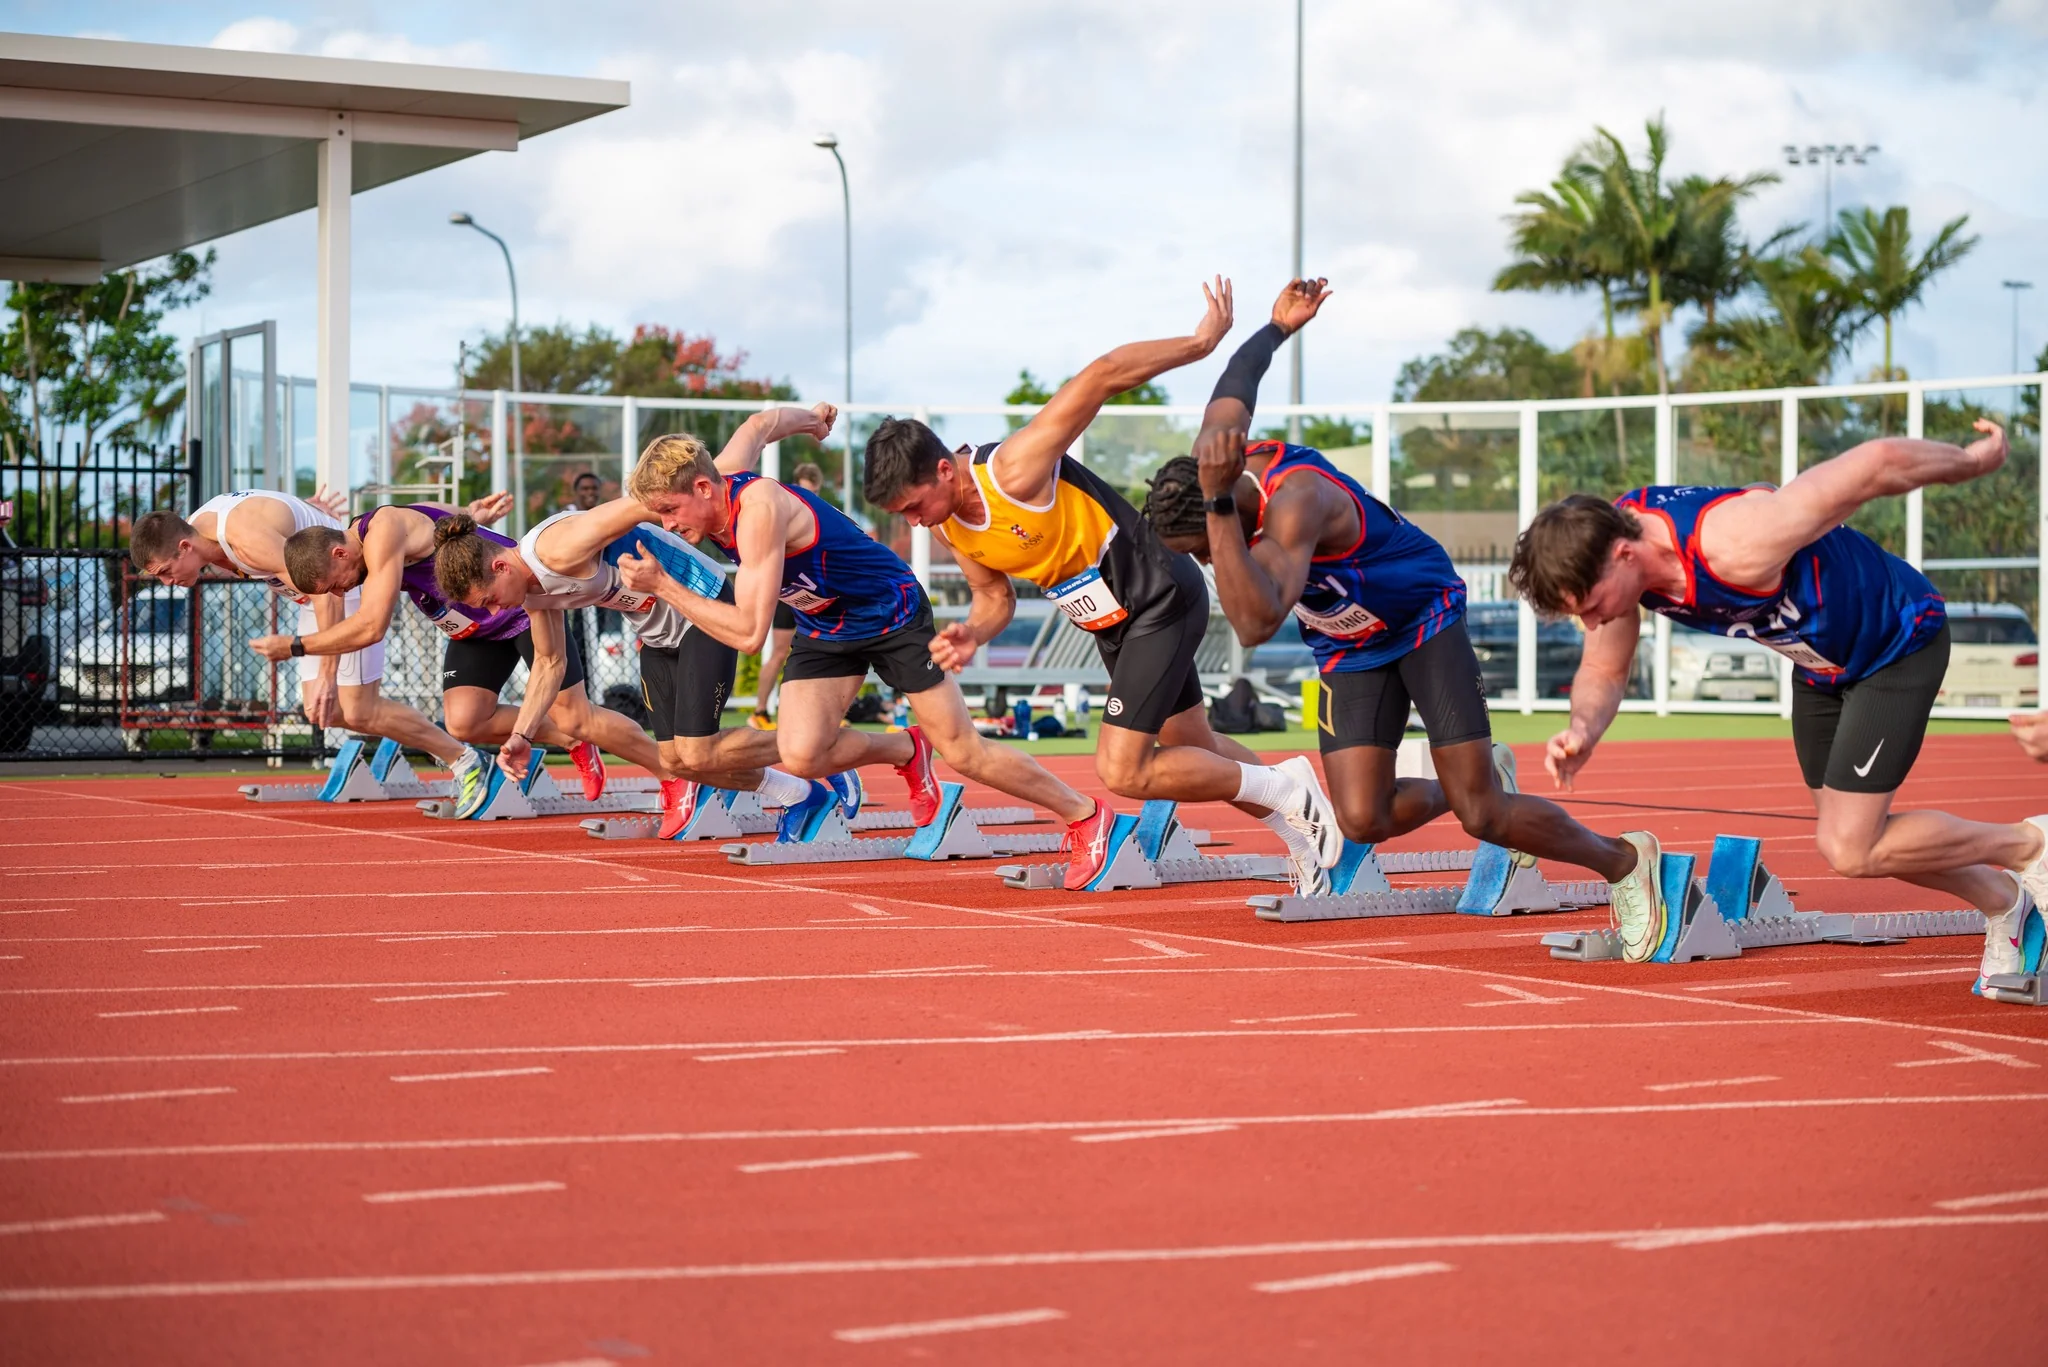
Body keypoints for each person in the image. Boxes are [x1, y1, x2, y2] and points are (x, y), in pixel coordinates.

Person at [1141, 277, 1666, 933]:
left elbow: (1254, 621)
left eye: (1203, 549)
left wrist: (1218, 512)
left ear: (1224, 507)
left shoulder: (1296, 500)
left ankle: (1625, 861)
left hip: (1421, 616)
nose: (1207, 561)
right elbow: (1241, 372)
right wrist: (1279, 326)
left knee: (1485, 815)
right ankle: (1471, 775)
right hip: (1348, 642)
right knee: (1363, 817)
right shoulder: (1213, 453)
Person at [1507, 419, 2048, 986]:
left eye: (1591, 606)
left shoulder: (1738, 541)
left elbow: (1876, 463)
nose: (1592, 621)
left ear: (1623, 553)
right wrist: (1582, 730)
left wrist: (1972, 462)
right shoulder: (1618, 565)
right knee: (1863, 839)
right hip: (1818, 670)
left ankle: (2028, 843)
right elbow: (1602, 666)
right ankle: (2005, 904)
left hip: (1896, 642)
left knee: (1851, 847)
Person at [861, 277, 1342, 895]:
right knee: (1192, 744)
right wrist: (972, 633)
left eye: (914, 504)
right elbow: (996, 598)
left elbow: (1102, 375)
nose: (913, 521)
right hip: (1111, 622)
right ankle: (1309, 829)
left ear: (946, 470)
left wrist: (1200, 343)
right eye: (902, 514)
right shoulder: (950, 527)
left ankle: (1289, 787)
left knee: (1122, 767)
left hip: (1156, 589)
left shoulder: (1014, 468)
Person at [619, 420, 1118, 887]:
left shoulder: (759, 511)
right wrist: (811, 418)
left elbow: (751, 633)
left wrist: (663, 583)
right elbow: (760, 423)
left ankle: (1087, 815)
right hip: (827, 625)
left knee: (964, 752)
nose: (665, 523)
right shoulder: (717, 477)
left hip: (890, 610)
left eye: (669, 510)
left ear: (704, 489)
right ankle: (905, 749)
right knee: (802, 754)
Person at [433, 405, 858, 840]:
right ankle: (802, 792)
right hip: (656, 634)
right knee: (675, 760)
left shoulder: (559, 548)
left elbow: (643, 502)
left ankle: (823, 751)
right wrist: (522, 734)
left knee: (699, 750)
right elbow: (549, 663)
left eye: (487, 602)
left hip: (702, 605)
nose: (492, 614)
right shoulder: (531, 594)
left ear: (501, 567)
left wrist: (807, 424)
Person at [255, 495, 659, 801]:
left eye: (335, 585)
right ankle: (572, 741)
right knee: (464, 723)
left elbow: (372, 626)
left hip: (515, 606)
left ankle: (674, 771)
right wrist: (467, 513)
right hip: (474, 630)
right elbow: (431, 512)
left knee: (576, 715)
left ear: (339, 553)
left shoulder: (382, 532)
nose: (342, 592)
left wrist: (296, 646)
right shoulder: (373, 528)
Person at [129, 488, 492, 816]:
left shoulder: (245, 541)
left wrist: (327, 675)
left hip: (338, 584)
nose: (168, 582)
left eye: (165, 572)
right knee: (325, 711)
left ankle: (465, 760)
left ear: (185, 547)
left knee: (357, 707)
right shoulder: (196, 527)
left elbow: (324, 592)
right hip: (312, 597)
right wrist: (306, 511)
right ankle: (439, 748)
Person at [750, 460, 827, 730]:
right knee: (779, 652)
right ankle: (760, 711)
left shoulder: (819, 514)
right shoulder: (782, 511)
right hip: (789, 591)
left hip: (816, 592)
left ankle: (816, 715)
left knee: (823, 651)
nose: (808, 495)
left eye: (812, 491)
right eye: (804, 490)